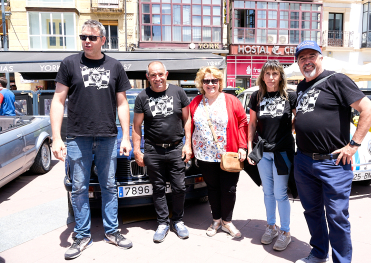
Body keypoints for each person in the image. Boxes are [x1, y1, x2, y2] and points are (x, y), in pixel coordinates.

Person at [50, 20, 133, 260]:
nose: (87, 41)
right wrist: (56, 137)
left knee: (109, 186)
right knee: (78, 188)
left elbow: (122, 103)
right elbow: (58, 101)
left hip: (108, 136)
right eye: (83, 36)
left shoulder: (115, 66)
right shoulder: (69, 64)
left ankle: (112, 231)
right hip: (78, 136)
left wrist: (125, 136)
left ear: (103, 40)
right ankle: (82, 235)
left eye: (92, 37)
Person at [293, 41, 371, 263]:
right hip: (303, 161)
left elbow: (368, 109)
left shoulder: (337, 80)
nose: (307, 61)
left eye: (311, 56)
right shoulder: (301, 87)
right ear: (298, 63)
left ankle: (342, 261)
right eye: (302, 58)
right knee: (311, 212)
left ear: (321, 58)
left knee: (337, 216)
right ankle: (319, 253)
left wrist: (354, 145)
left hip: (333, 163)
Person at [132, 61, 192, 243]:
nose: (157, 78)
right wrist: (137, 150)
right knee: (157, 188)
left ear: (166, 74)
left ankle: (178, 221)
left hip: (175, 148)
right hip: (153, 149)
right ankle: (162, 223)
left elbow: (187, 120)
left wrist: (187, 144)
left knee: (180, 187)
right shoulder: (142, 97)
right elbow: (136, 126)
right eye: (153, 75)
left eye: (160, 74)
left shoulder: (178, 92)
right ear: (147, 77)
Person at [189, 66, 248, 238]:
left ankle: (227, 222)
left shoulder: (230, 100)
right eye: (206, 81)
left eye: (214, 80)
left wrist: (242, 146)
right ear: (202, 83)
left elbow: (243, 122)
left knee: (229, 188)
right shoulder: (195, 102)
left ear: (220, 82)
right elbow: (188, 125)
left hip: (228, 153)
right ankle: (216, 220)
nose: (210, 84)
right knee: (213, 188)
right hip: (204, 155)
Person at [246, 60, 296, 251]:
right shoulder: (256, 96)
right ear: (262, 76)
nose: (271, 78)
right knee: (267, 192)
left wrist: (288, 131)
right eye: (267, 74)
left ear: (281, 76)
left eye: (275, 74)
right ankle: (271, 226)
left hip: (282, 152)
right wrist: (250, 148)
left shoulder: (290, 95)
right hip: (263, 152)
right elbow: (251, 124)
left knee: (280, 193)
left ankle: (285, 231)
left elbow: (299, 117)